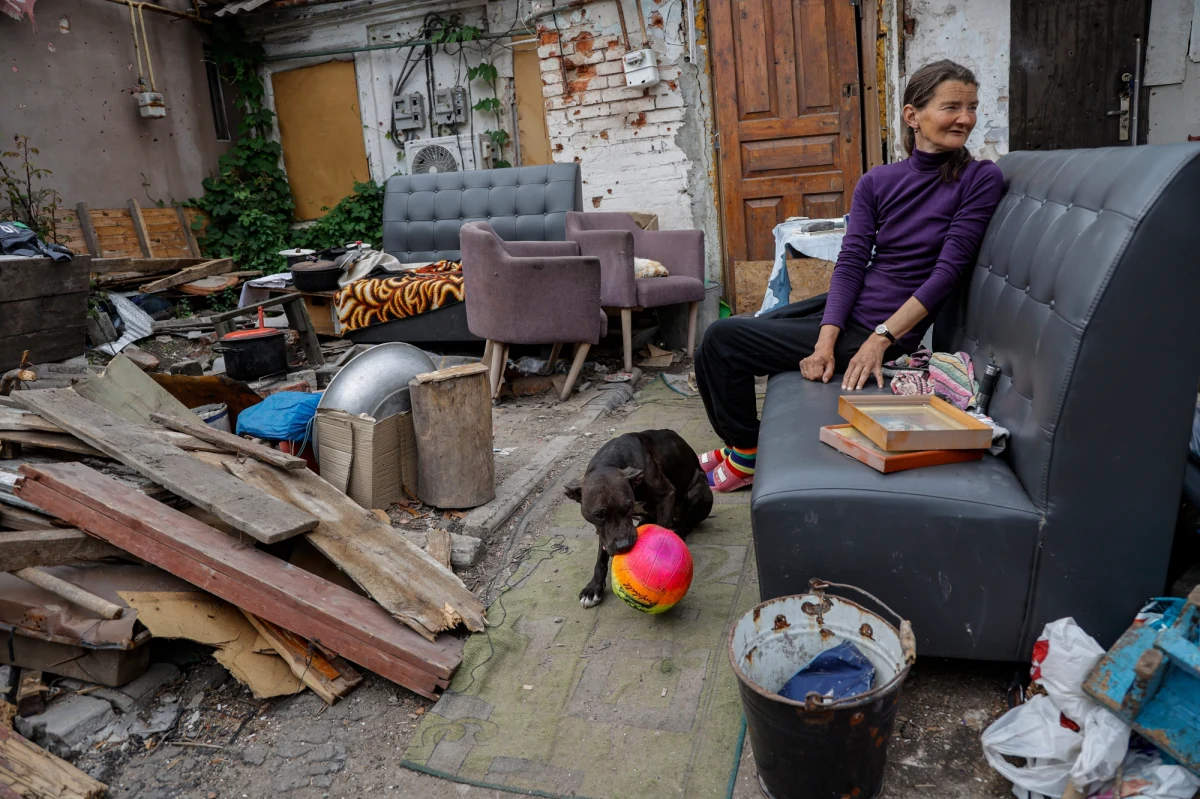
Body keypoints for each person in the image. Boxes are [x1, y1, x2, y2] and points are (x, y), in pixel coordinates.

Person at [694, 59, 1005, 492]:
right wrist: (825, 340)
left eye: (971, 107)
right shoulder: (878, 181)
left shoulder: (978, 178)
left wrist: (881, 339)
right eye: (952, 106)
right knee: (719, 342)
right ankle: (736, 445)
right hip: (849, 314)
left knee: (722, 342)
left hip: (882, 328)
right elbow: (852, 261)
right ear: (912, 116)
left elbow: (947, 273)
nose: (966, 119)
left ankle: (747, 456)